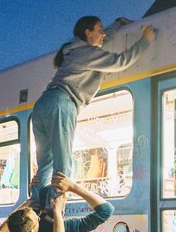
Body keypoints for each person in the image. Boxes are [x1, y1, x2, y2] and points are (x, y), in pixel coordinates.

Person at [30, 16, 155, 203]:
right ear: (88, 33)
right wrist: (145, 41)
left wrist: (118, 24)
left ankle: (36, 207)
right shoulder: (86, 54)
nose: (103, 33)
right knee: (63, 165)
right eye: (99, 29)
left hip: (42, 105)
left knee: (45, 163)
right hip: (62, 103)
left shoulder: (75, 51)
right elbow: (121, 61)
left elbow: (104, 39)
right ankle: (55, 210)